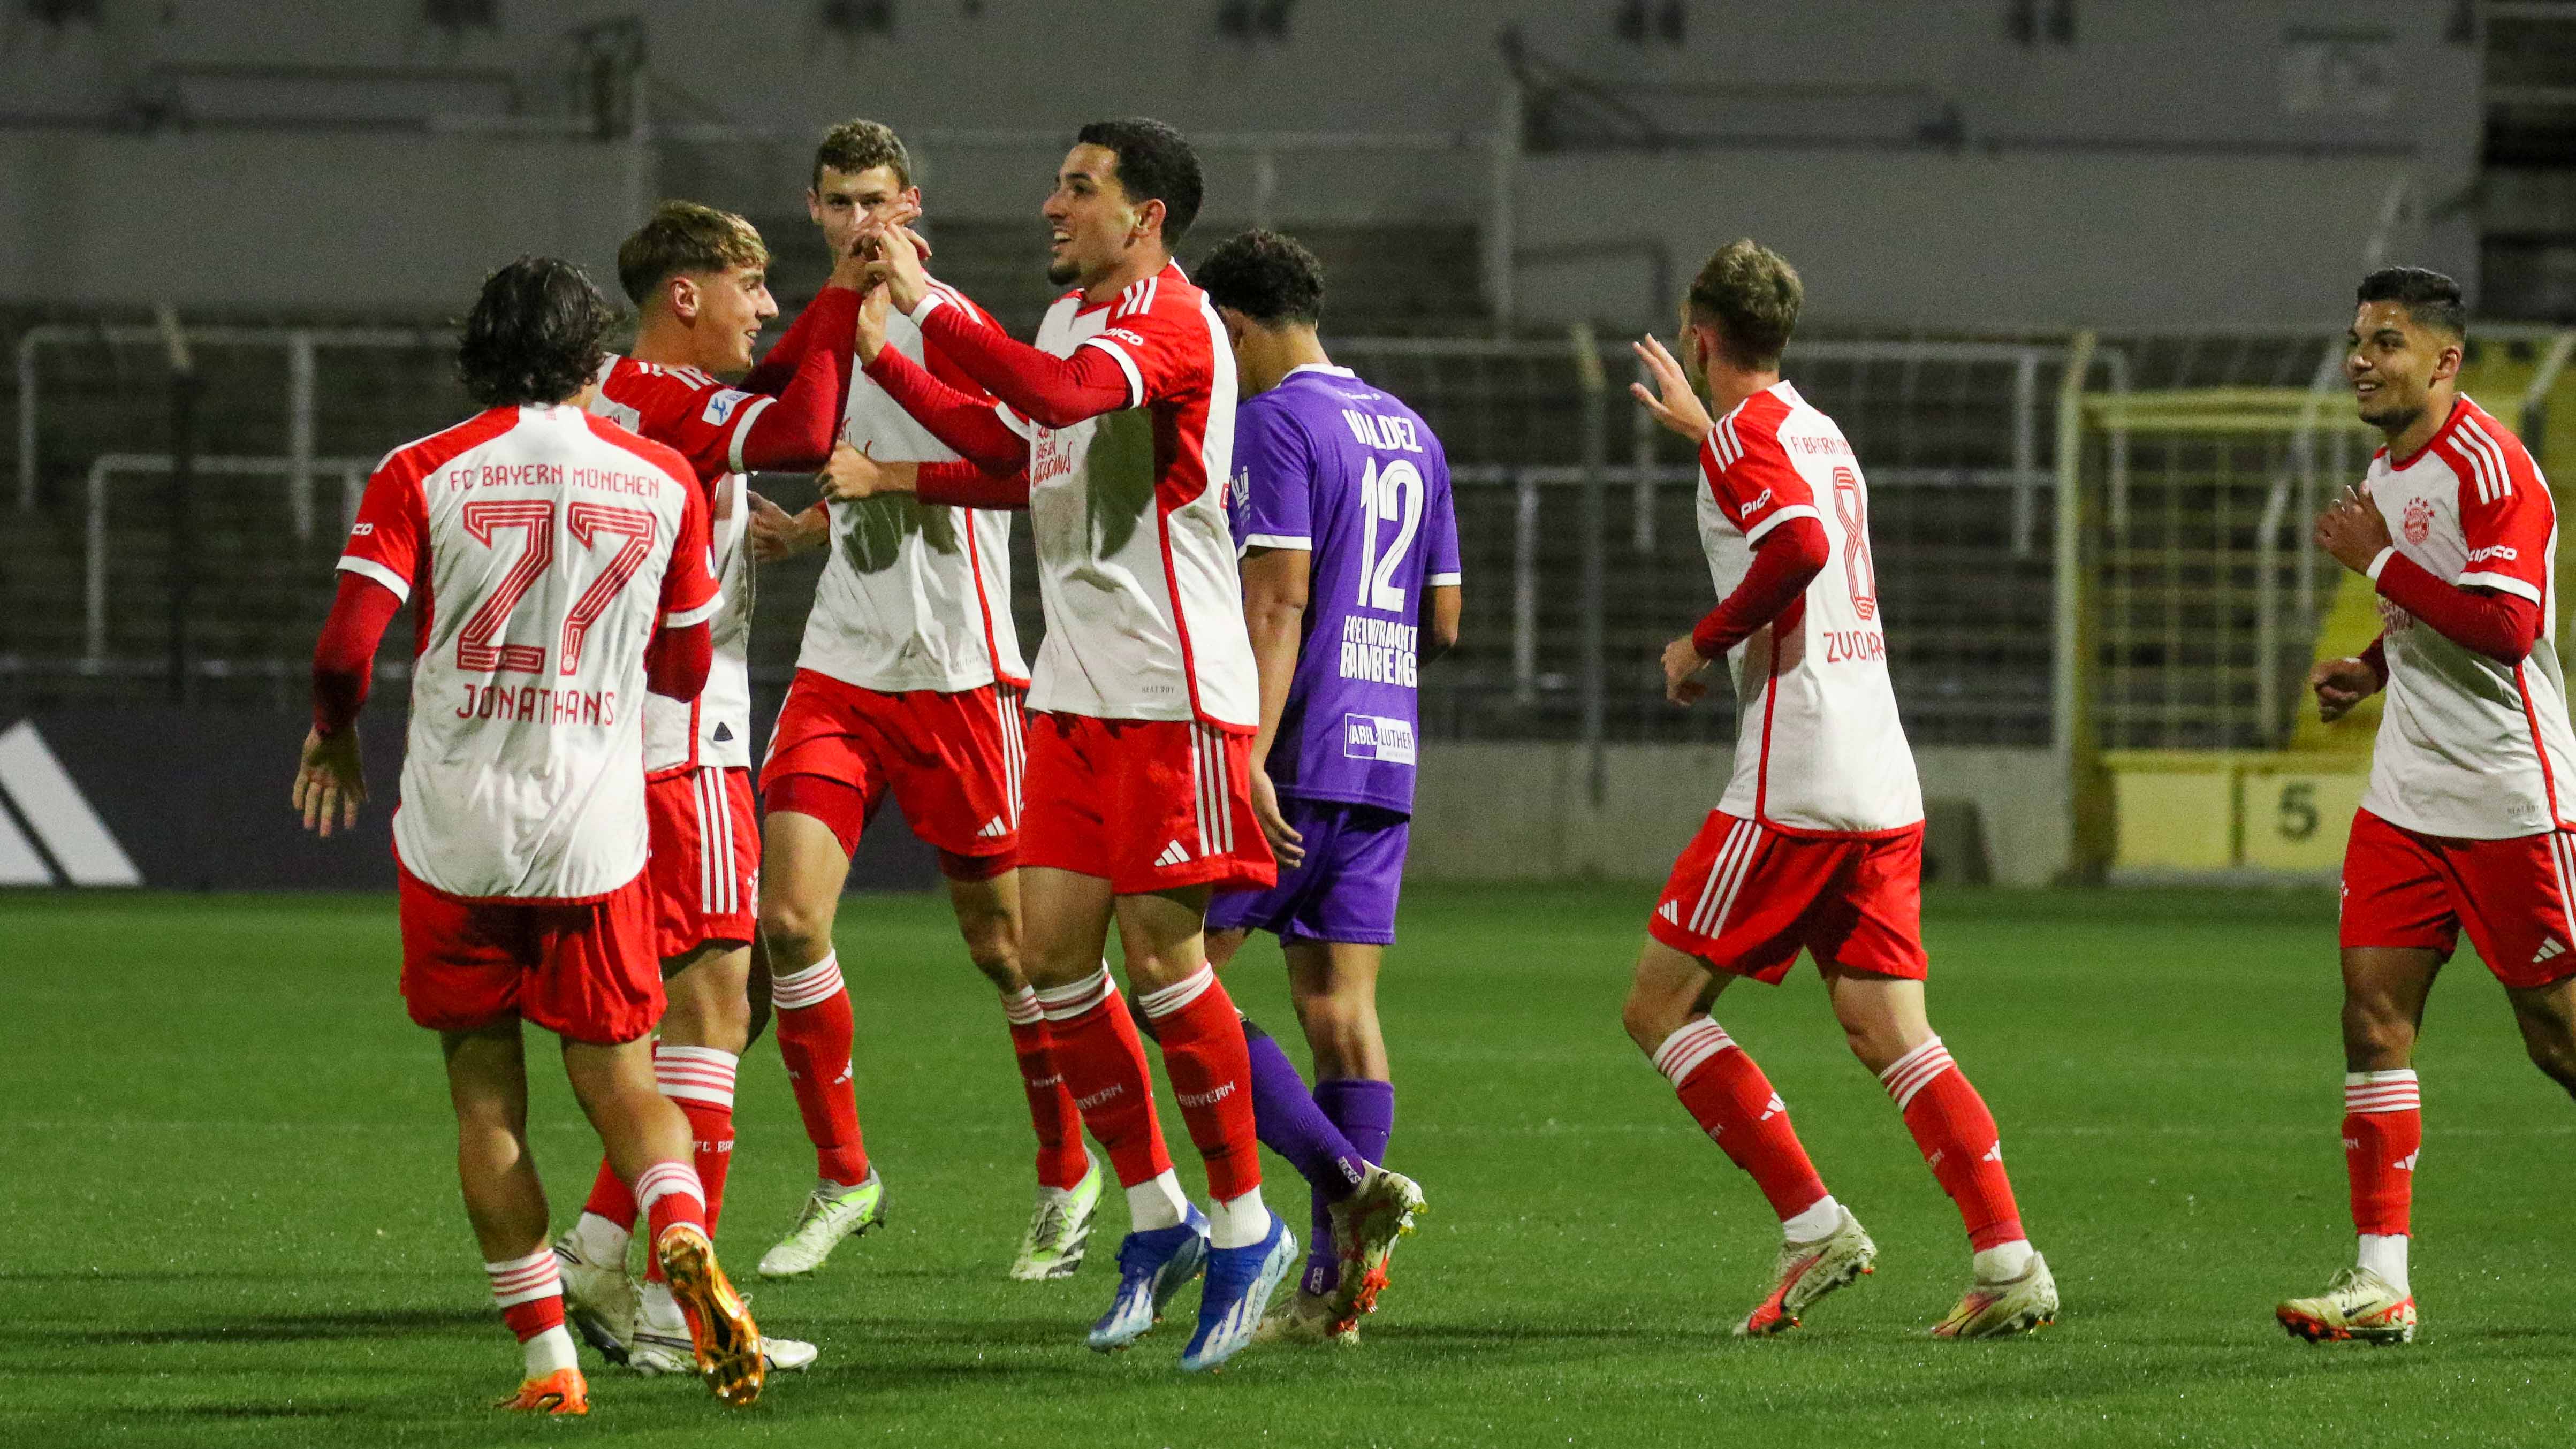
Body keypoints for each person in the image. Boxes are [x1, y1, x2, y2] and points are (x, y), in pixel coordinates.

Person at [817, 117, 1291, 1371]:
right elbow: (1029, 459)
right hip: (1074, 693)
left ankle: (1248, 1228)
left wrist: (924, 305)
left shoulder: (1171, 323)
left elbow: (1067, 404)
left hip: (1173, 696)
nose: (1050, 207)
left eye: (1078, 190)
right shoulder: (1066, 324)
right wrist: (899, 393)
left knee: (1164, 963)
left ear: (1144, 219)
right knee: (1049, 960)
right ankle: (1157, 1219)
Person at [293, 256, 764, 1411]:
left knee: (487, 1101)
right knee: (621, 1077)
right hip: (595, 831)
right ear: (587, 347)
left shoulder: (423, 468)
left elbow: (346, 650)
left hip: (458, 833)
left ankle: (549, 1362)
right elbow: (689, 664)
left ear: (478, 348)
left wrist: (334, 734)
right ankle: (681, 1234)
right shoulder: (661, 478)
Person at [1621, 238, 2056, 1340]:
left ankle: (1814, 1224)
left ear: (1699, 335)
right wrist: (1701, 432)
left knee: (1660, 1006)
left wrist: (1700, 645)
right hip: (1879, 772)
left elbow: (1799, 545)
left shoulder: (1748, 442)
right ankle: (2008, 1260)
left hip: (1793, 781)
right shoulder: (1816, 430)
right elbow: (1793, 498)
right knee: (1886, 1029)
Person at [740, 120, 1101, 1284]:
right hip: (843, 669)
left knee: (1008, 949)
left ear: (911, 206)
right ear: (813, 210)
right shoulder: (817, 333)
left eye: (875, 202)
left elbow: (1014, 470)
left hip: (962, 674)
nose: (857, 223)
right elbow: (792, 425)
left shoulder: (953, 324)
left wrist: (885, 472)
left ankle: (1065, 1174)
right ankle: (846, 1176)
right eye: (838, 203)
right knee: (788, 923)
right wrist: (812, 521)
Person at [544, 200, 855, 1375]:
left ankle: (597, 1248)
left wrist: (835, 292)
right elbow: (804, 417)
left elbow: (775, 376)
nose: (766, 307)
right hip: (683, 741)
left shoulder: (624, 395)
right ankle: (680, 1309)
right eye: (751, 283)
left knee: (695, 1014)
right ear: (686, 295)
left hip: (624, 742)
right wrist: (848, 292)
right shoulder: (661, 399)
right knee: (716, 1015)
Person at [2279, 266, 2576, 1345]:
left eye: (2387, 342)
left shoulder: (2494, 469)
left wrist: (2380, 563)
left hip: (2509, 794)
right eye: (2357, 338)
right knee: (2371, 1019)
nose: (2361, 359)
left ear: (2445, 360)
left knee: (2558, 1040)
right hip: (2408, 791)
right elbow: (2433, 614)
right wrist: (2370, 663)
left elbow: (2503, 627)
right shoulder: (2391, 463)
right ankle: (2380, 1282)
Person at [1190, 227, 1449, 1345]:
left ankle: (1344, 1181)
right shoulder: (1413, 428)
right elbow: (1442, 619)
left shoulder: (1277, 421)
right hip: (1385, 750)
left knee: (1176, 987)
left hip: (1291, 753)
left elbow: (1278, 600)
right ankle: (1336, 1298)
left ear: (1237, 326)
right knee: (1342, 1012)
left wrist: (1244, 745)